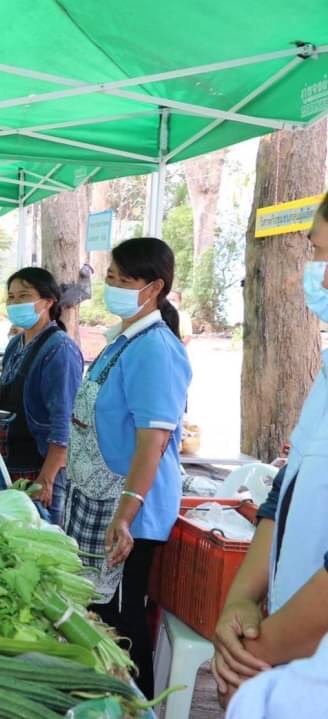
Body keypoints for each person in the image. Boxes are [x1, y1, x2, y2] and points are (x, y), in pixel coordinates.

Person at [211, 194, 328, 706]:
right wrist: (241, 599)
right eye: (318, 255)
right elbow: (287, 488)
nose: (321, 279)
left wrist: (259, 653)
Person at [62, 236, 191, 699]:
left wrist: (126, 512)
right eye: (110, 277)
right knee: (100, 620)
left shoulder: (156, 348)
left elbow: (152, 442)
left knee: (123, 623)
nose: (113, 286)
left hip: (128, 511)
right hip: (99, 501)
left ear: (154, 287)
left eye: (124, 279)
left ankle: (136, 706)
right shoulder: (122, 341)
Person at [0, 268, 83, 524]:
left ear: (47, 301)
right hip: (12, 460)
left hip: (41, 466)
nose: (14, 303)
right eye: (11, 297)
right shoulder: (16, 344)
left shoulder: (59, 350)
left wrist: (47, 478)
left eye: (23, 296)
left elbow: (64, 419)